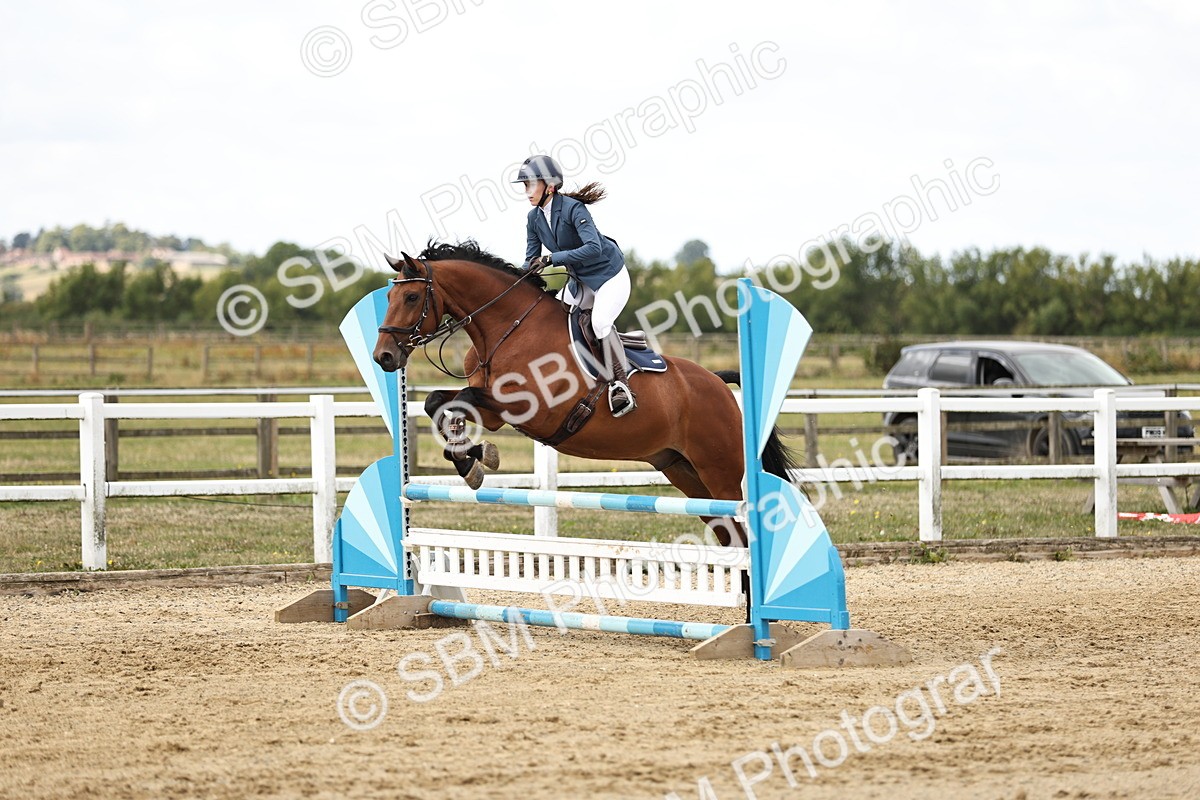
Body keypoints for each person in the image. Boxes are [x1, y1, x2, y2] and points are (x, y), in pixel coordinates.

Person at [514, 154, 637, 417]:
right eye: (524, 186)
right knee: (553, 318)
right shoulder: (533, 218)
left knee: (600, 322)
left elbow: (593, 248)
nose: (527, 192)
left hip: (608, 277)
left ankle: (620, 385)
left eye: (530, 185)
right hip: (580, 281)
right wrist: (514, 283)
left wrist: (552, 259)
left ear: (549, 186)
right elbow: (530, 259)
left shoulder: (573, 209)